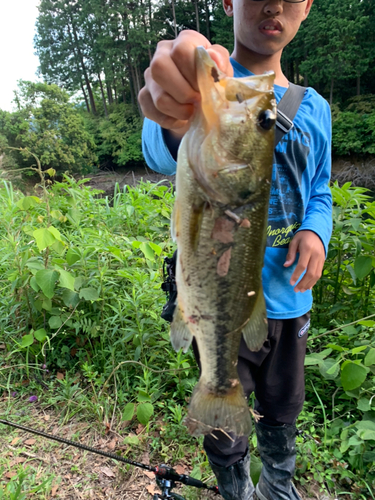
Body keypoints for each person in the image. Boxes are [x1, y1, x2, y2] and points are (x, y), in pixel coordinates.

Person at [138, 1, 332, 499]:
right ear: (228, 2)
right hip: (219, 308)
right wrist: (180, 111)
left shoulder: (314, 107)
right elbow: (164, 147)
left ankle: (277, 486)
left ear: (307, 7)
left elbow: (321, 189)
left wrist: (316, 230)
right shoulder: (215, 87)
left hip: (289, 300)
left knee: (283, 408)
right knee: (225, 422)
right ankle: (235, 490)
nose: (274, 5)